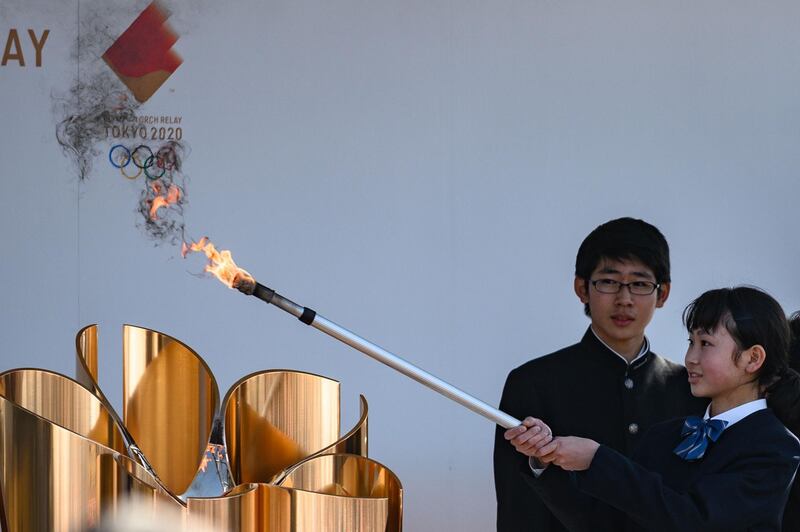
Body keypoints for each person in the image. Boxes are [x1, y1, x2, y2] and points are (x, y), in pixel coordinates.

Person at [507, 286, 800, 532]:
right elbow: (604, 523)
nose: (691, 358)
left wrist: (597, 458)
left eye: (706, 344)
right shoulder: (667, 434)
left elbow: (695, 521)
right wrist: (545, 460)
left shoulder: (776, 448)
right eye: (691, 342)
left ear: (753, 358)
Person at [494, 217, 706, 531]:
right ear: (582, 287)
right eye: (608, 281)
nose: (625, 299)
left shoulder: (689, 388)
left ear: (663, 294)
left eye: (640, 283)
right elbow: (518, 510)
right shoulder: (533, 383)